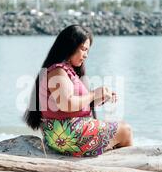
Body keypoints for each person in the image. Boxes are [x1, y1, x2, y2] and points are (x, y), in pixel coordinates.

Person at [24, 25, 133, 157]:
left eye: (87, 50)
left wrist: (100, 97)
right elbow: (67, 104)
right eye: (83, 49)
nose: (86, 55)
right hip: (67, 135)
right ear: (70, 46)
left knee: (119, 132)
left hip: (63, 134)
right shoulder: (58, 71)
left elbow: (74, 105)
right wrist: (94, 94)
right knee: (125, 130)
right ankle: (127, 168)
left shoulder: (66, 70)